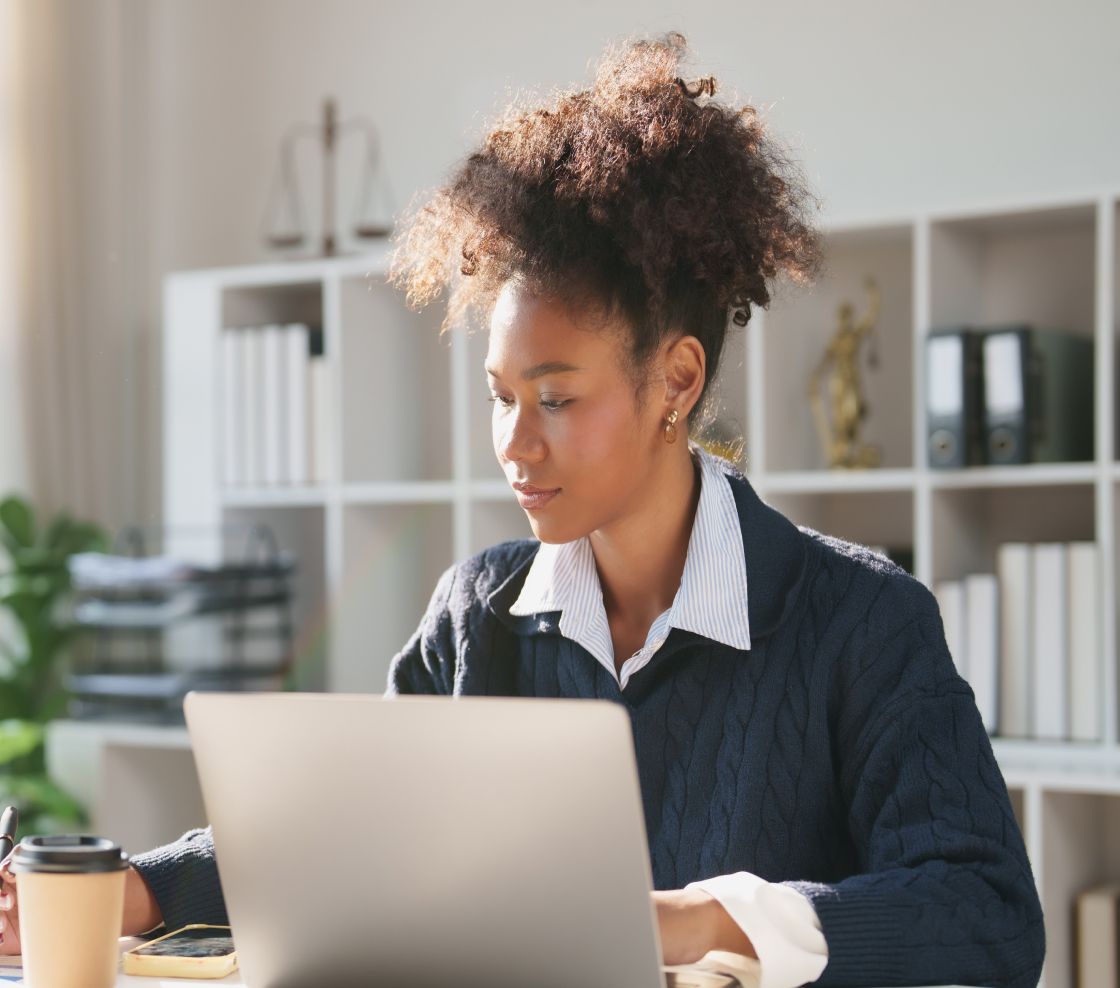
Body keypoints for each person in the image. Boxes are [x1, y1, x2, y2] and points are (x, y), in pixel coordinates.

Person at [1, 32, 1045, 988]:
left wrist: (697, 922)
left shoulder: (858, 621)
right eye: (500, 396)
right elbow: (342, 834)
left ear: (674, 380)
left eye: (555, 397)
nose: (513, 441)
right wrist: (134, 888)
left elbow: (988, 910)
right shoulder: (478, 614)